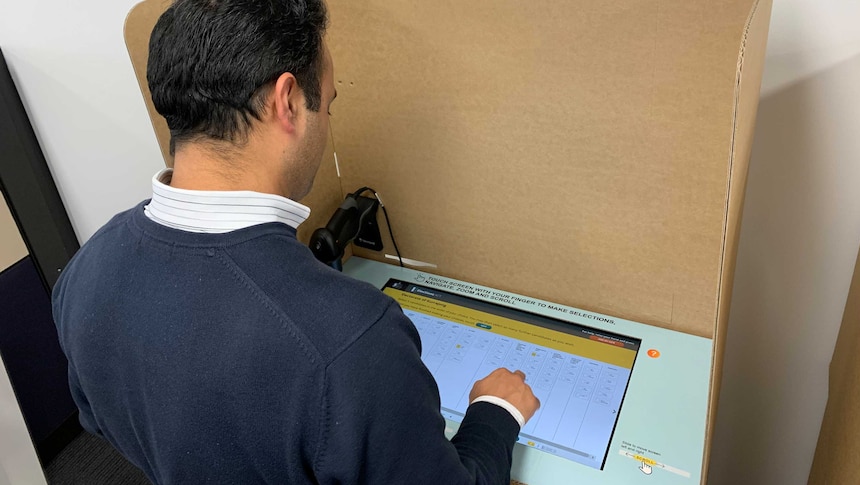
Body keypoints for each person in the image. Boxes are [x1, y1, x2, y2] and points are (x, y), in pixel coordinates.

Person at [52, 0, 540, 483]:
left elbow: (99, 417)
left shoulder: (85, 270)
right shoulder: (352, 341)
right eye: (326, 104)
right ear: (286, 101)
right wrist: (495, 415)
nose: (326, 125)